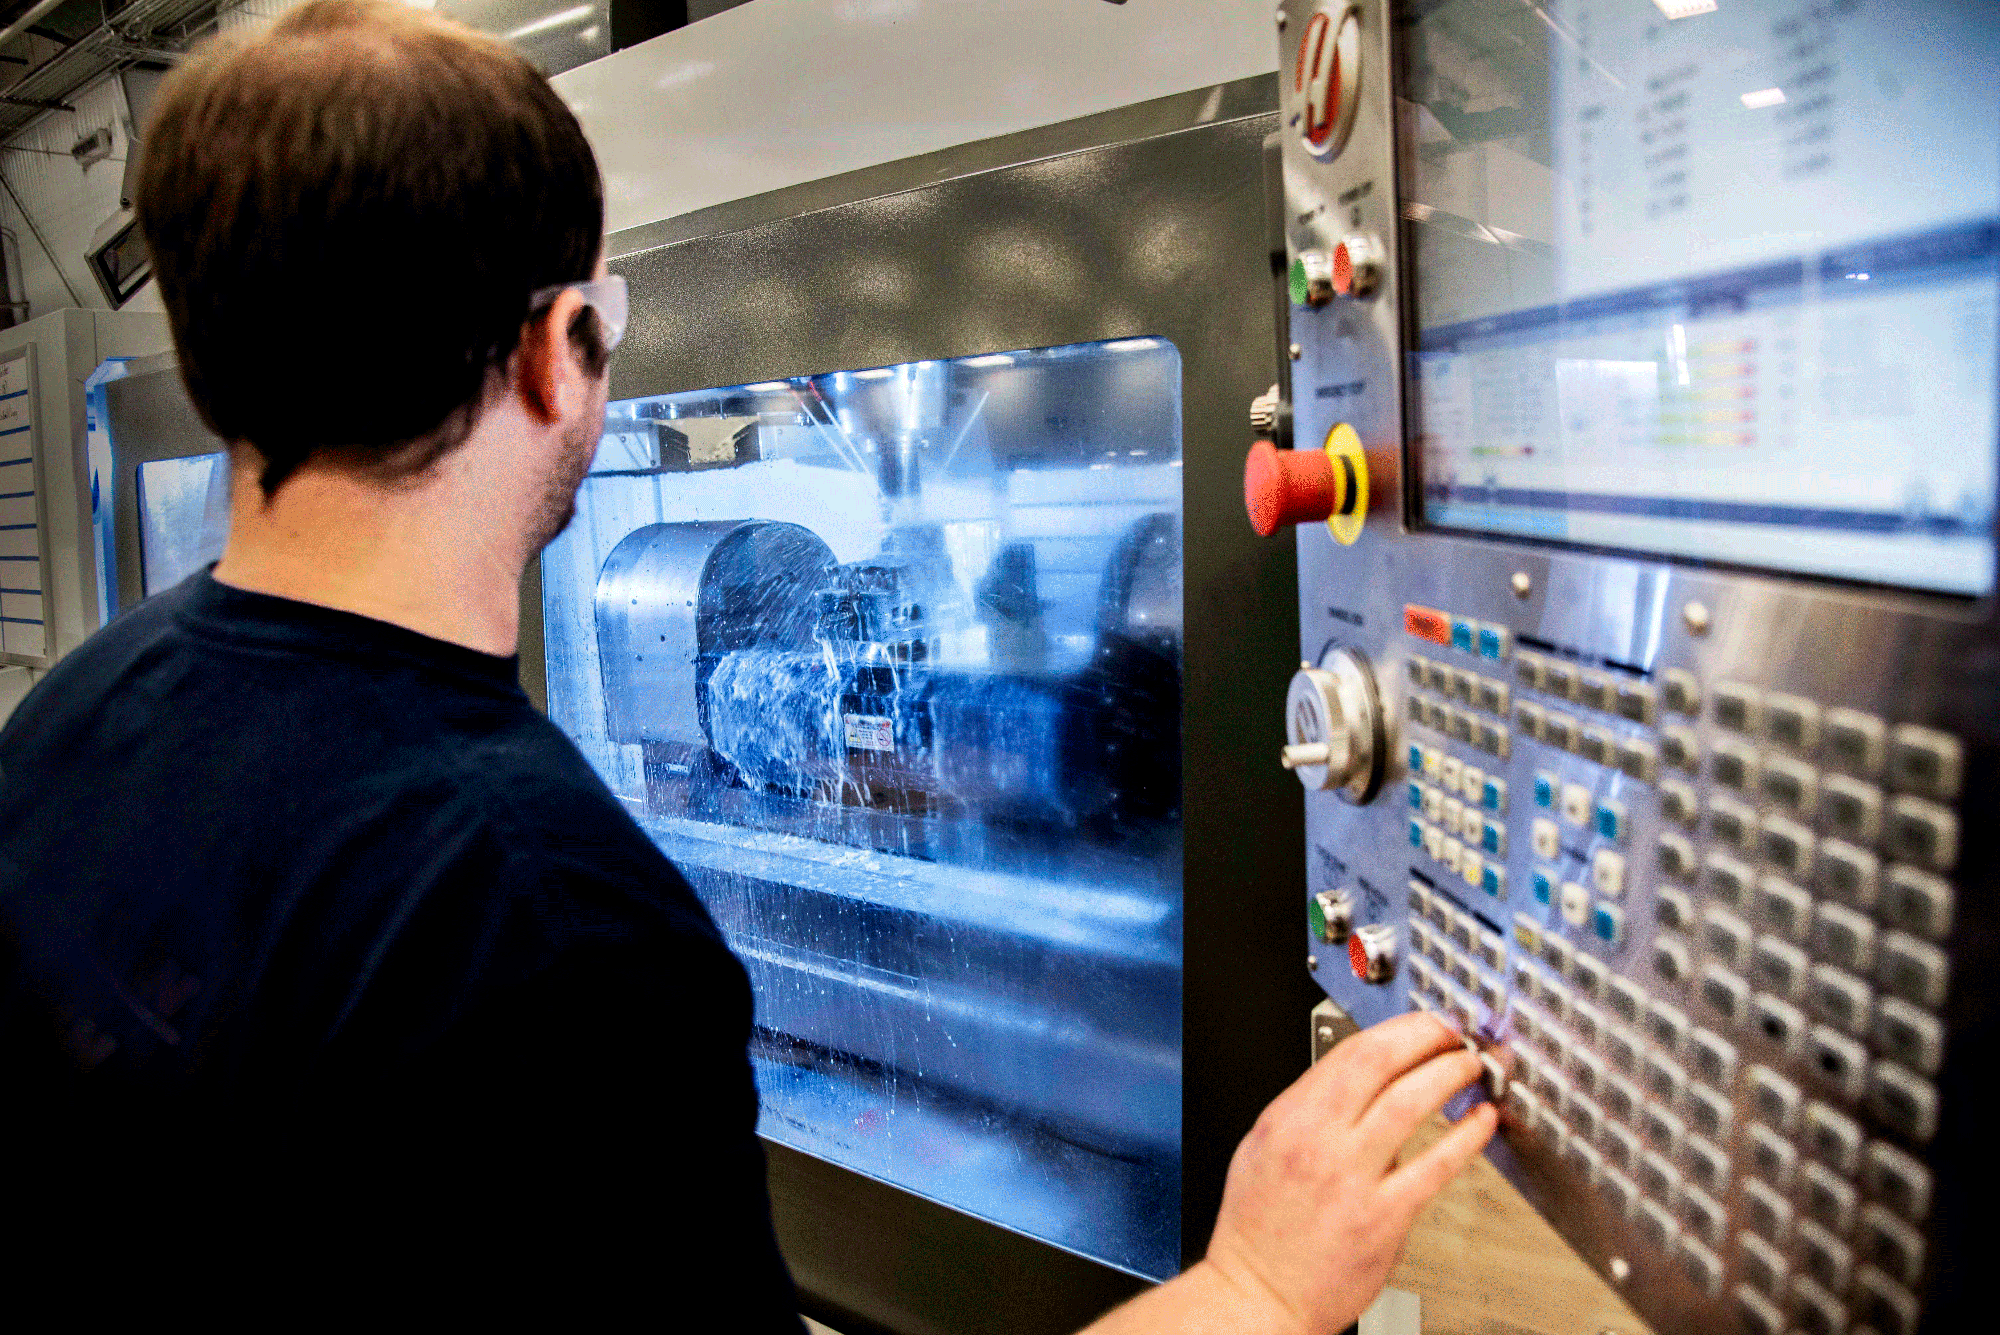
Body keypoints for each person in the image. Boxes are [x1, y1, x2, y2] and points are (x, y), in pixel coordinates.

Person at [0, 0, 1495, 1326]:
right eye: (607, 318)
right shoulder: (549, 920)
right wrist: (1251, 1289)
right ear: (553, 348)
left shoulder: (69, 726)